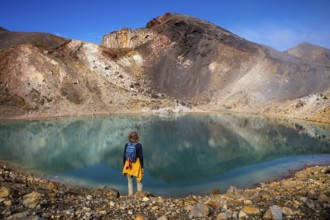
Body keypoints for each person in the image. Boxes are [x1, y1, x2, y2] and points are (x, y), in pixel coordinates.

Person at [122, 131, 144, 196]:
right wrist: (142, 167)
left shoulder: (127, 144)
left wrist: (124, 165)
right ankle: (139, 195)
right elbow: (141, 157)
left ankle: (130, 194)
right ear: (137, 138)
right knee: (139, 181)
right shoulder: (139, 145)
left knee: (130, 181)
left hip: (128, 164)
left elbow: (124, 155)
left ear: (129, 137)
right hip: (136, 164)